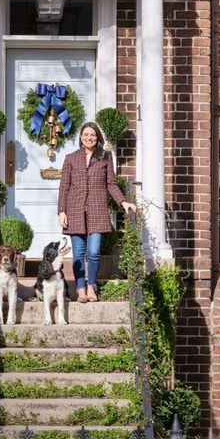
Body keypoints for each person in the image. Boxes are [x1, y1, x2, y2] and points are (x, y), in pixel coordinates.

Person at [57, 122, 136, 303]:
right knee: (78, 253)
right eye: (86, 134)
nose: (89, 138)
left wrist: (123, 202)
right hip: (75, 209)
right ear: (81, 137)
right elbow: (64, 187)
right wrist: (61, 211)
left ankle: (91, 286)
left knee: (93, 252)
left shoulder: (105, 157)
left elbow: (111, 184)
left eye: (92, 135)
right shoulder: (70, 158)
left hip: (97, 210)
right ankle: (80, 289)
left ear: (97, 137)